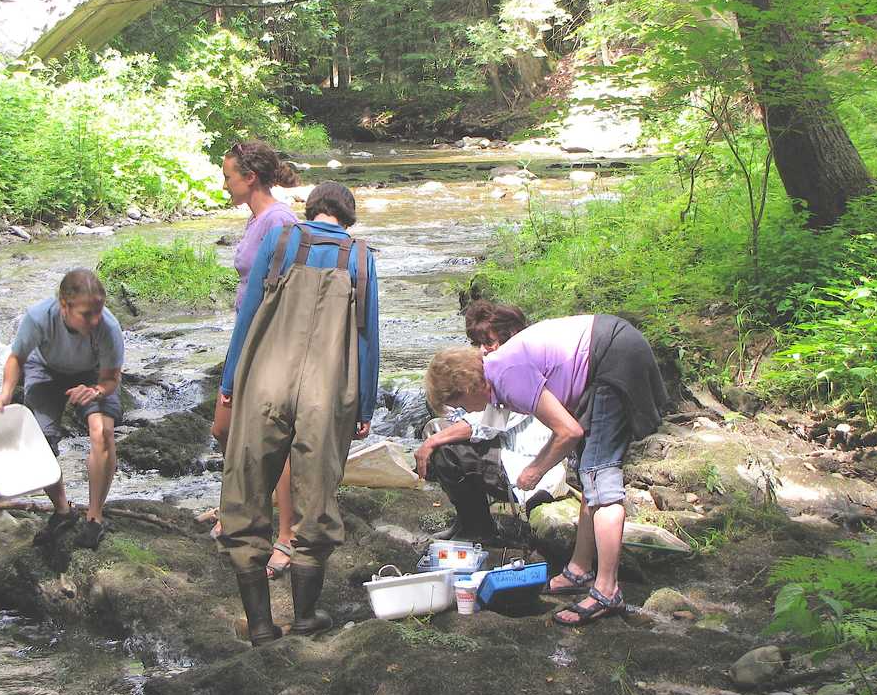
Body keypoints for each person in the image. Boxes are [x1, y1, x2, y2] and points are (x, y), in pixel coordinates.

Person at [424, 313, 667, 626]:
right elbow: (492, 427)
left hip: (615, 356)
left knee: (600, 477)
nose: (463, 410)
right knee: (588, 475)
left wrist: (535, 470)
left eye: (458, 404)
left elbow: (568, 431)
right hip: (606, 356)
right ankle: (579, 570)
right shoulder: (497, 373)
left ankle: (608, 591)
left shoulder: (507, 374)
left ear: (466, 387)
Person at [218, 182, 380, 646]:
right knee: (317, 496)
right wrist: (365, 402)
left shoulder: (281, 239)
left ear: (311, 209)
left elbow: (248, 313)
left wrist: (231, 381)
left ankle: (262, 626)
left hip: (266, 378)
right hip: (328, 390)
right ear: (348, 216)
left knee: (247, 491)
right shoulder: (360, 256)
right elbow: (368, 337)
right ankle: (306, 617)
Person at [209, 139, 301, 580]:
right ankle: (245, 508)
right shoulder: (256, 220)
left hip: (266, 344)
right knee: (224, 430)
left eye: (228, 176)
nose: (224, 184)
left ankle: (286, 532)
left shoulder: (280, 222)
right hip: (244, 340)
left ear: (250, 178)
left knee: (270, 440)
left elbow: (283, 290)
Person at [0, 268, 124, 550]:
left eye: (99, 311)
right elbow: (17, 358)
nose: (95, 319)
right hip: (45, 370)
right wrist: (5, 395)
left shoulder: (108, 328)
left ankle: (95, 517)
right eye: (87, 314)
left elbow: (111, 378)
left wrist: (95, 391)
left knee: (102, 433)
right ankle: (63, 510)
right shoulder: (39, 318)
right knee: (40, 443)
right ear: (64, 305)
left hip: (93, 374)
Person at [414, 301, 565, 542]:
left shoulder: (521, 370)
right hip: (505, 451)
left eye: (489, 343)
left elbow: (487, 423)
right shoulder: (503, 366)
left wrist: (432, 442)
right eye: (477, 344)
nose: (483, 351)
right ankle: (469, 520)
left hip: (527, 464)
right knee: (437, 429)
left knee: (445, 449)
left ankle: (478, 528)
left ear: (512, 336)